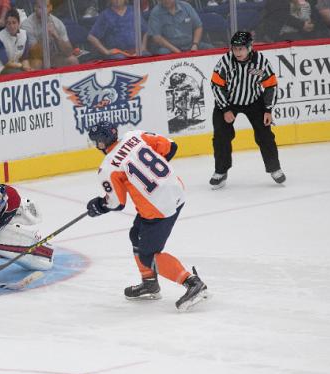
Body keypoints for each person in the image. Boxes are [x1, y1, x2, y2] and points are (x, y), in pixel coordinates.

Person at [85, 121, 209, 312]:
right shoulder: (135, 135)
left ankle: (192, 283)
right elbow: (171, 147)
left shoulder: (108, 167)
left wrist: (99, 205)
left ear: (101, 143)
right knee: (136, 234)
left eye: (97, 142)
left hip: (158, 210)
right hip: (177, 191)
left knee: (148, 256)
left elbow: (116, 203)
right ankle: (149, 283)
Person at [210, 31, 285, 189]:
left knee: (265, 135)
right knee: (221, 136)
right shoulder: (225, 62)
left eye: (241, 49)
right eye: (235, 49)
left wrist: (268, 110)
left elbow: (271, 85)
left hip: (254, 101)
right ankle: (221, 171)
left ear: (250, 48)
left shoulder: (260, 63)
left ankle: (274, 168)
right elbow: (216, 85)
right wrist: (225, 109)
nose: (237, 52)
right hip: (228, 102)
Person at [21, 0, 79, 69]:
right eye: (40, 7)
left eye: (46, 7)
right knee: (37, 63)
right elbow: (34, 54)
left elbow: (68, 52)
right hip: (35, 59)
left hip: (53, 57)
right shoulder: (27, 25)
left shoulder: (57, 23)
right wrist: (46, 36)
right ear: (35, 8)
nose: (44, 10)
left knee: (72, 60)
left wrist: (56, 36)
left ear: (51, 7)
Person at [147, 0, 212, 55]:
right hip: (169, 48)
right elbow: (156, 37)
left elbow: (198, 26)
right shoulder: (155, 13)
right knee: (163, 52)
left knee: (210, 48)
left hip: (190, 45)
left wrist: (195, 44)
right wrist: (177, 51)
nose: (166, 0)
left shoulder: (186, 7)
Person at [0, 7, 31, 77]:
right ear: (5, 24)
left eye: (14, 23)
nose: (11, 26)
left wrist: (28, 68)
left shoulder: (24, 35)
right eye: (9, 23)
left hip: (16, 66)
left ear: (18, 23)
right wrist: (22, 66)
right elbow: (6, 62)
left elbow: (25, 58)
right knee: (18, 74)